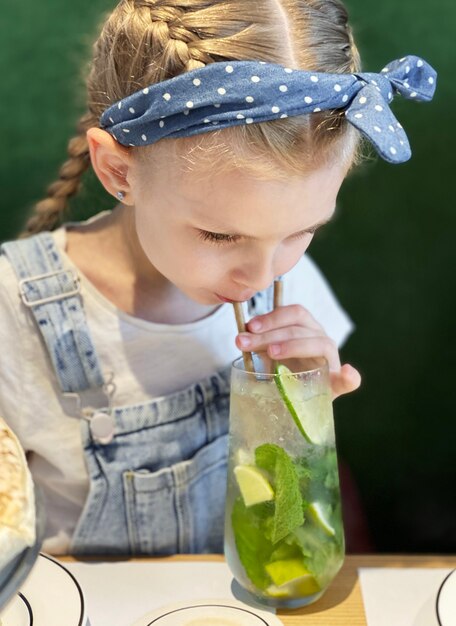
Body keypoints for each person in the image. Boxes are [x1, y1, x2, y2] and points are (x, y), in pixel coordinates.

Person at [0, 0, 435, 557]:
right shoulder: (16, 310)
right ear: (117, 171)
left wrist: (300, 417)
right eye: (220, 236)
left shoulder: (288, 285)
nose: (260, 275)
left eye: (302, 231)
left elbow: (288, 518)